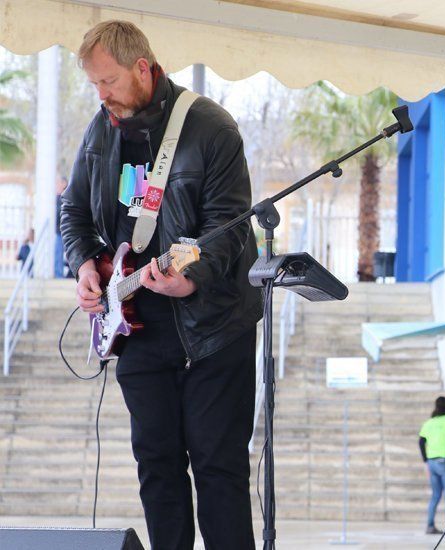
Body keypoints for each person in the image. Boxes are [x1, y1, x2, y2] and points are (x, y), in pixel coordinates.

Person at [60, 20, 263, 550]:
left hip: (214, 327)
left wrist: (190, 279)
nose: (101, 95)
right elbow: (73, 213)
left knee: (218, 468)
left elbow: (230, 224)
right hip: (136, 324)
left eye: (108, 81)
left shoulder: (212, 128)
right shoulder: (100, 130)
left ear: (143, 69)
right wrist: (84, 264)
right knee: (157, 464)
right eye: (94, 85)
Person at [418, 396, 445, 536]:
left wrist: (425, 462)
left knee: (435, 495)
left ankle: (430, 526)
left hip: (431, 462)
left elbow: (421, 442)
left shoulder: (429, 422)